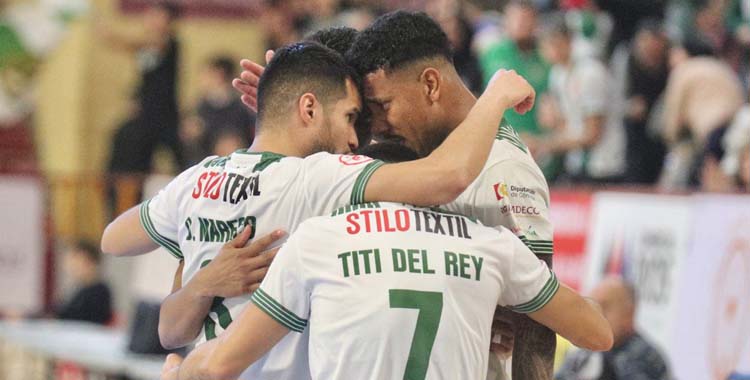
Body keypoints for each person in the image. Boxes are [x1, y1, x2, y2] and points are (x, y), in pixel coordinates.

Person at [102, 41, 536, 380]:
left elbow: (114, 240)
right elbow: (450, 175)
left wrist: (204, 279)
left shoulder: (198, 178)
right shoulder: (318, 178)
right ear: (308, 108)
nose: (353, 140)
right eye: (350, 118)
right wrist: (494, 97)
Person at [236, 11, 556, 378]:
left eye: (382, 107)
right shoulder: (411, 150)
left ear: (431, 85)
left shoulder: (502, 169)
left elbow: (539, 319)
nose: (378, 126)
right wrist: (294, 104)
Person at [162, 202, 613, 380]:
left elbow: (221, 363)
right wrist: (501, 307)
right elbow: (598, 333)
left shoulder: (323, 236)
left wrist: (177, 372)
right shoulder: (490, 244)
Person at [536, 20, 626, 183]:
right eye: (545, 46)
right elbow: (565, 126)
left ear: (569, 41)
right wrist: (552, 120)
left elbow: (593, 134)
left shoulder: (590, 73)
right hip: (577, 163)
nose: (551, 51)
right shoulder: (557, 74)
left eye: (556, 44)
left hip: (604, 165)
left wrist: (543, 144)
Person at [99, 2, 183, 169]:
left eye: (156, 16)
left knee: (179, 158)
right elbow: (146, 77)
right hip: (145, 112)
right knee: (128, 147)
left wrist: (112, 34)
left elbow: (136, 43)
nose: (151, 20)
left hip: (165, 113)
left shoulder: (168, 42)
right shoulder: (147, 46)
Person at [555, 276, 670, 380]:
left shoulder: (646, 357)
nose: (596, 315)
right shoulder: (584, 352)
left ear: (629, 313)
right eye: (591, 308)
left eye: (605, 307)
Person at [478, 0, 550, 138]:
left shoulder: (546, 54)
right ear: (506, 21)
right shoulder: (490, 52)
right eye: (515, 19)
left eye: (526, 19)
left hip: (540, 140)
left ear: (535, 22)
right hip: (499, 137)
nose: (520, 24)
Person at [196, 56, 256, 161]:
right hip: (208, 159)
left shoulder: (242, 105)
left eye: (207, 74)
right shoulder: (201, 106)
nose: (202, 79)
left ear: (219, 75)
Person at [56, 240, 113, 325]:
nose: (72, 267)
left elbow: (84, 318)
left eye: (76, 261)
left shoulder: (99, 291)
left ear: (89, 262)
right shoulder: (80, 289)